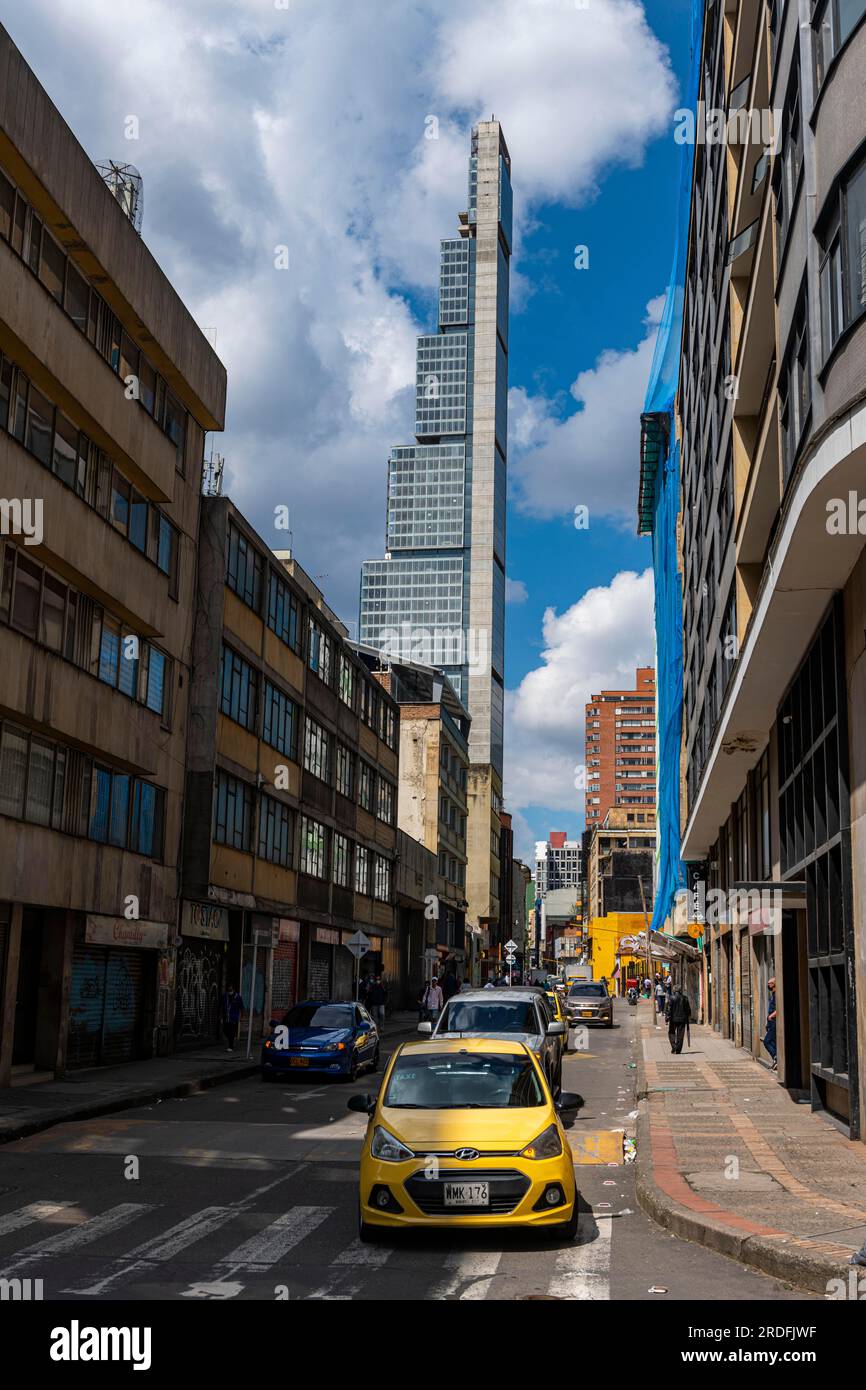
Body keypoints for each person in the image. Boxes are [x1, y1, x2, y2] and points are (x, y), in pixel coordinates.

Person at [665, 984, 692, 1054]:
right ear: (680, 990)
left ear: (674, 990)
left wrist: (667, 1017)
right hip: (682, 1019)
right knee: (680, 1035)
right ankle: (678, 1050)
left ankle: (674, 1046)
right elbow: (688, 1009)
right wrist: (688, 1015)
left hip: (673, 1019)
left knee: (671, 1032)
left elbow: (669, 1009)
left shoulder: (672, 998)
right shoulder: (685, 998)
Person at [221, 983, 243, 1052]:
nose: (230, 991)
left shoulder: (238, 997)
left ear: (233, 990)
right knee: (225, 1031)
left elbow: (241, 1007)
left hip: (233, 1018)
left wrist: (241, 1017)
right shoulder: (225, 996)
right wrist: (221, 1017)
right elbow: (222, 1006)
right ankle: (232, 1042)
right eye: (228, 990)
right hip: (226, 1017)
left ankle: (230, 1047)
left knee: (231, 1032)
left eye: (231, 990)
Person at [763, 976, 777, 1071]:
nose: (768, 985)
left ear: (774, 984)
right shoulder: (773, 995)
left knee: (766, 1041)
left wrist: (771, 1016)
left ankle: (776, 1057)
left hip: (774, 1022)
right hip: (770, 1023)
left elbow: (779, 1009)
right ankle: (776, 1061)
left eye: (770, 983)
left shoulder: (777, 995)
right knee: (772, 1042)